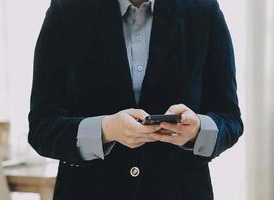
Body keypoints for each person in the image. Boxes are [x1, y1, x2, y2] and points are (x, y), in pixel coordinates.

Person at [28, 0, 243, 199]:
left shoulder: (202, 8)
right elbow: (42, 127)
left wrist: (197, 130)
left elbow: (230, 118)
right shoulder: (67, 9)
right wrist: (106, 129)